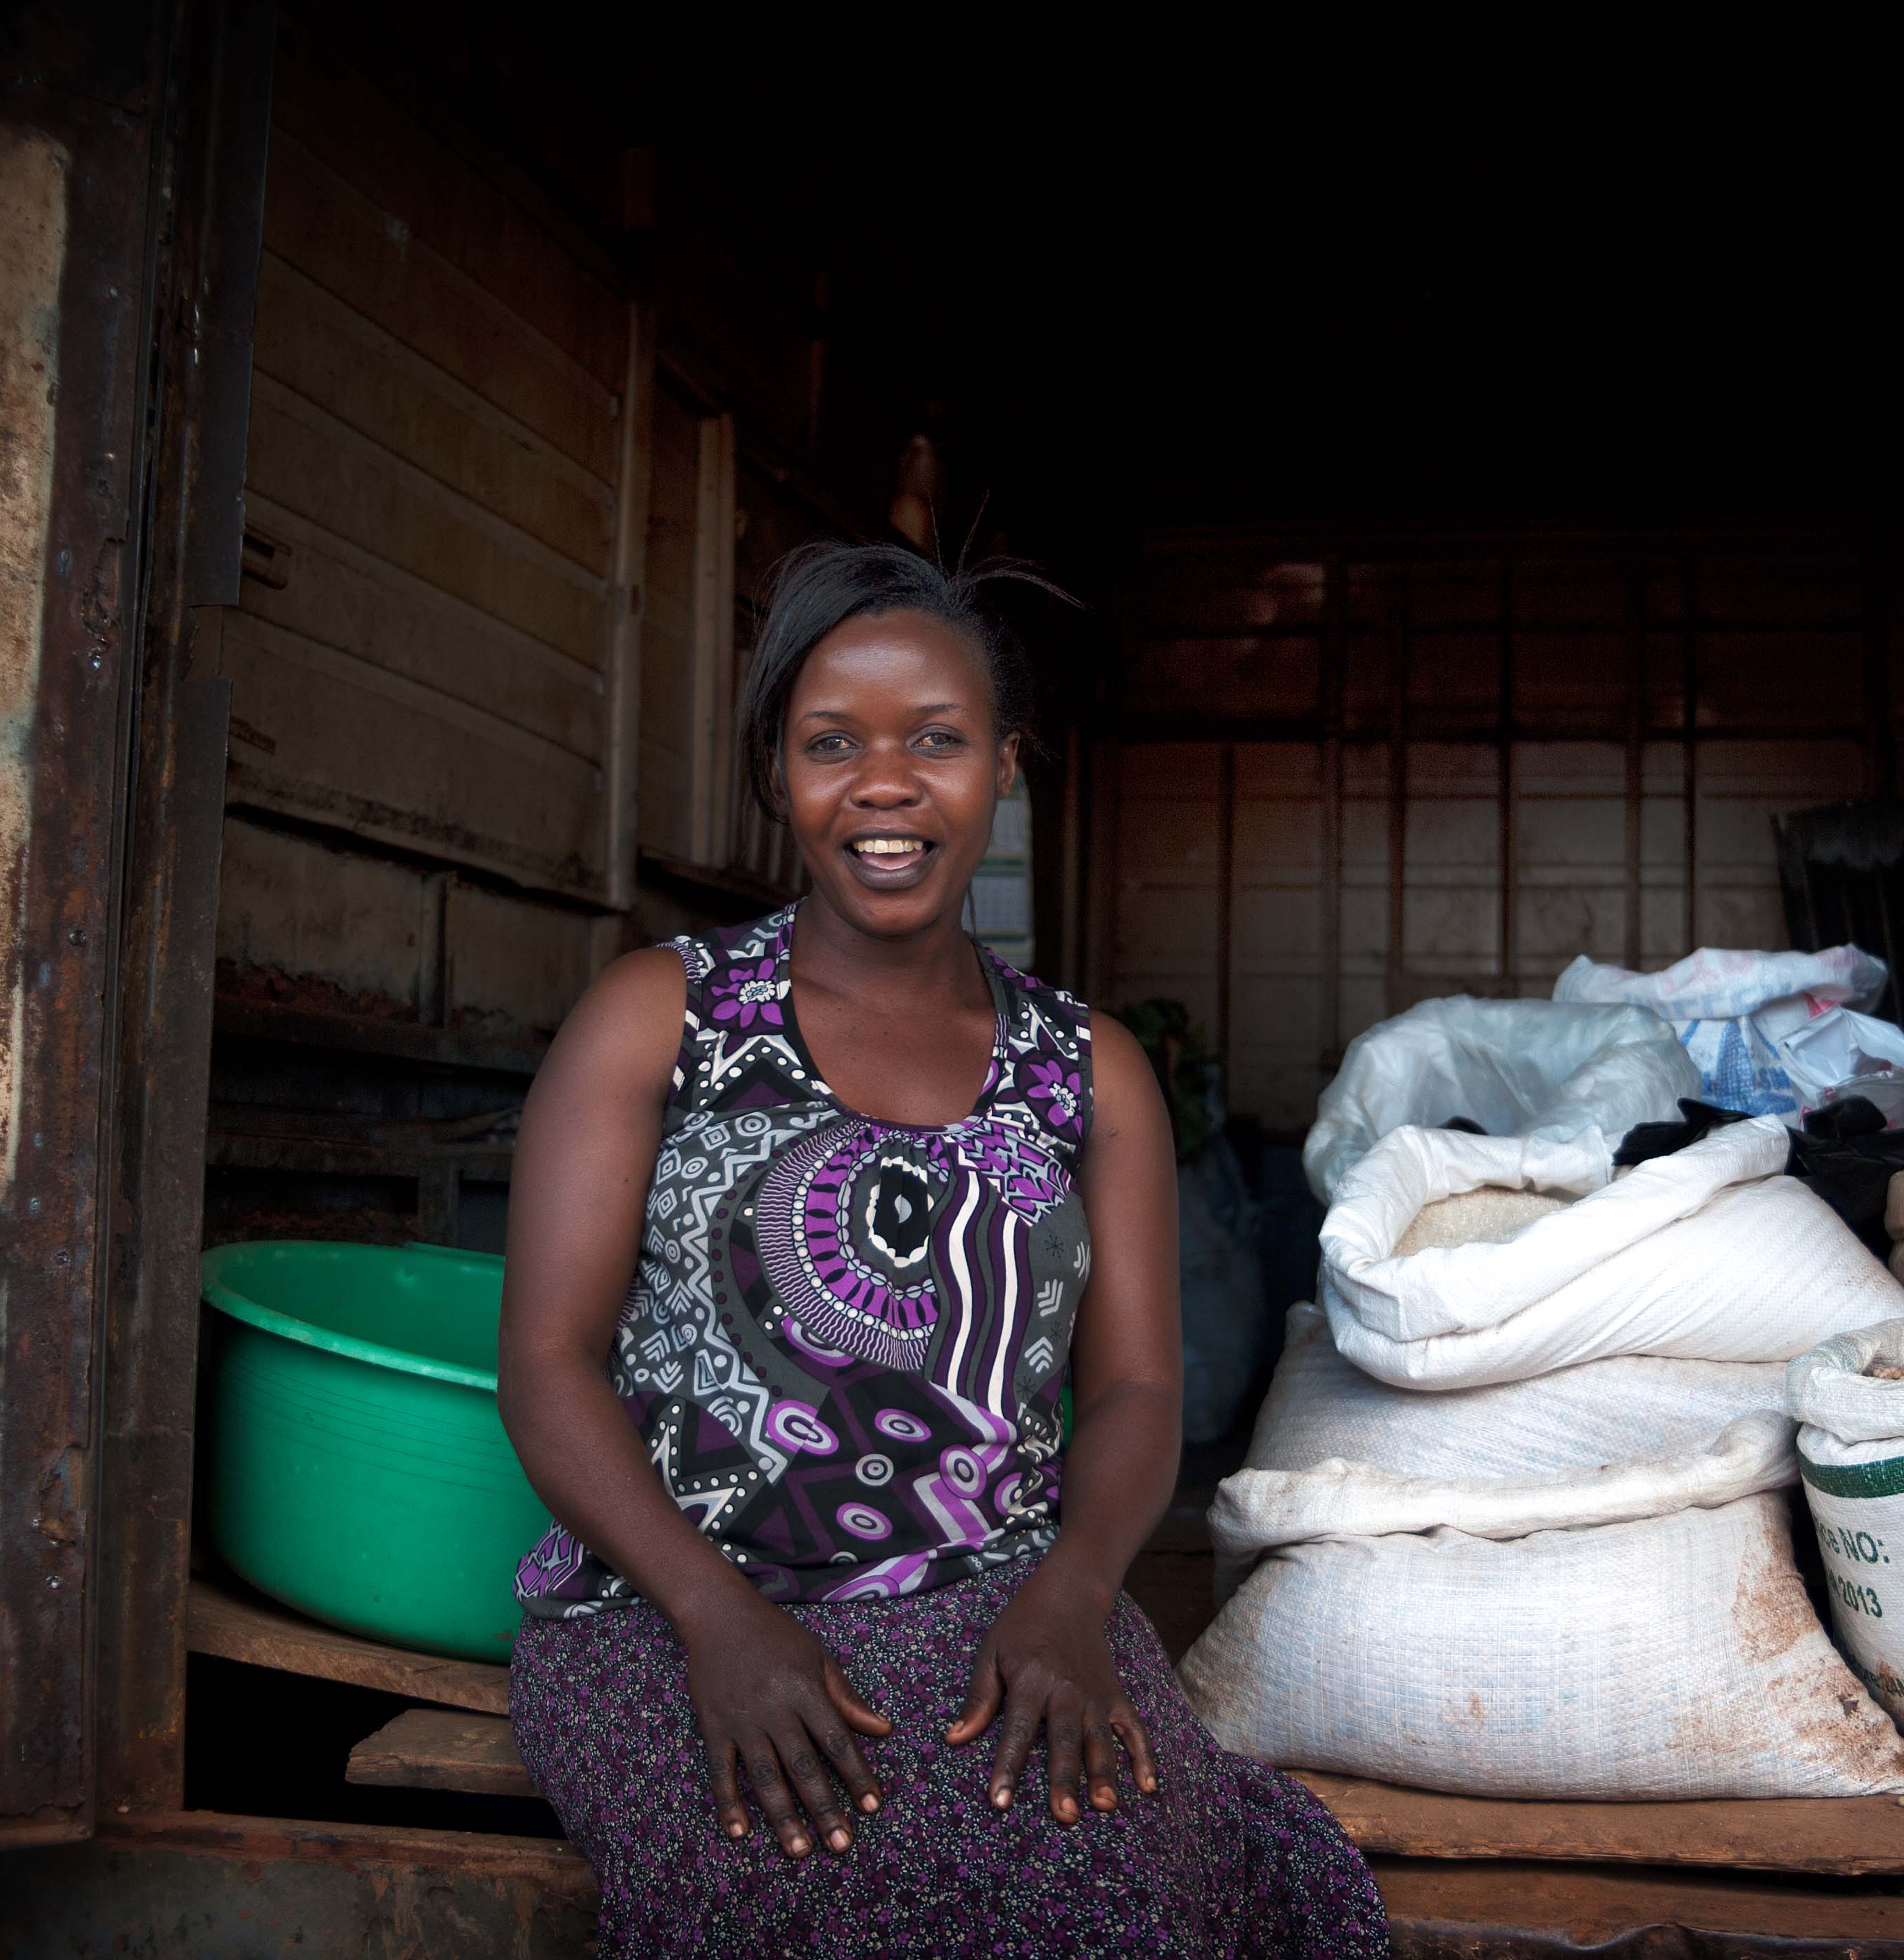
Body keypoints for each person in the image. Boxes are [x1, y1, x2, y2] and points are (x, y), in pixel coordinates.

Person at [496, 542, 1388, 1958]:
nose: (887, 784)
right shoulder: (657, 1017)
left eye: (938, 740)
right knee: (775, 1888)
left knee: (1111, 1894)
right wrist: (716, 1624)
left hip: (1001, 1607)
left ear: (1004, 769)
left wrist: (1075, 1594)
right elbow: (547, 1363)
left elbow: (1143, 1392)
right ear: (776, 776)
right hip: (664, 1614)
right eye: (831, 743)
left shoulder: (1086, 1072)